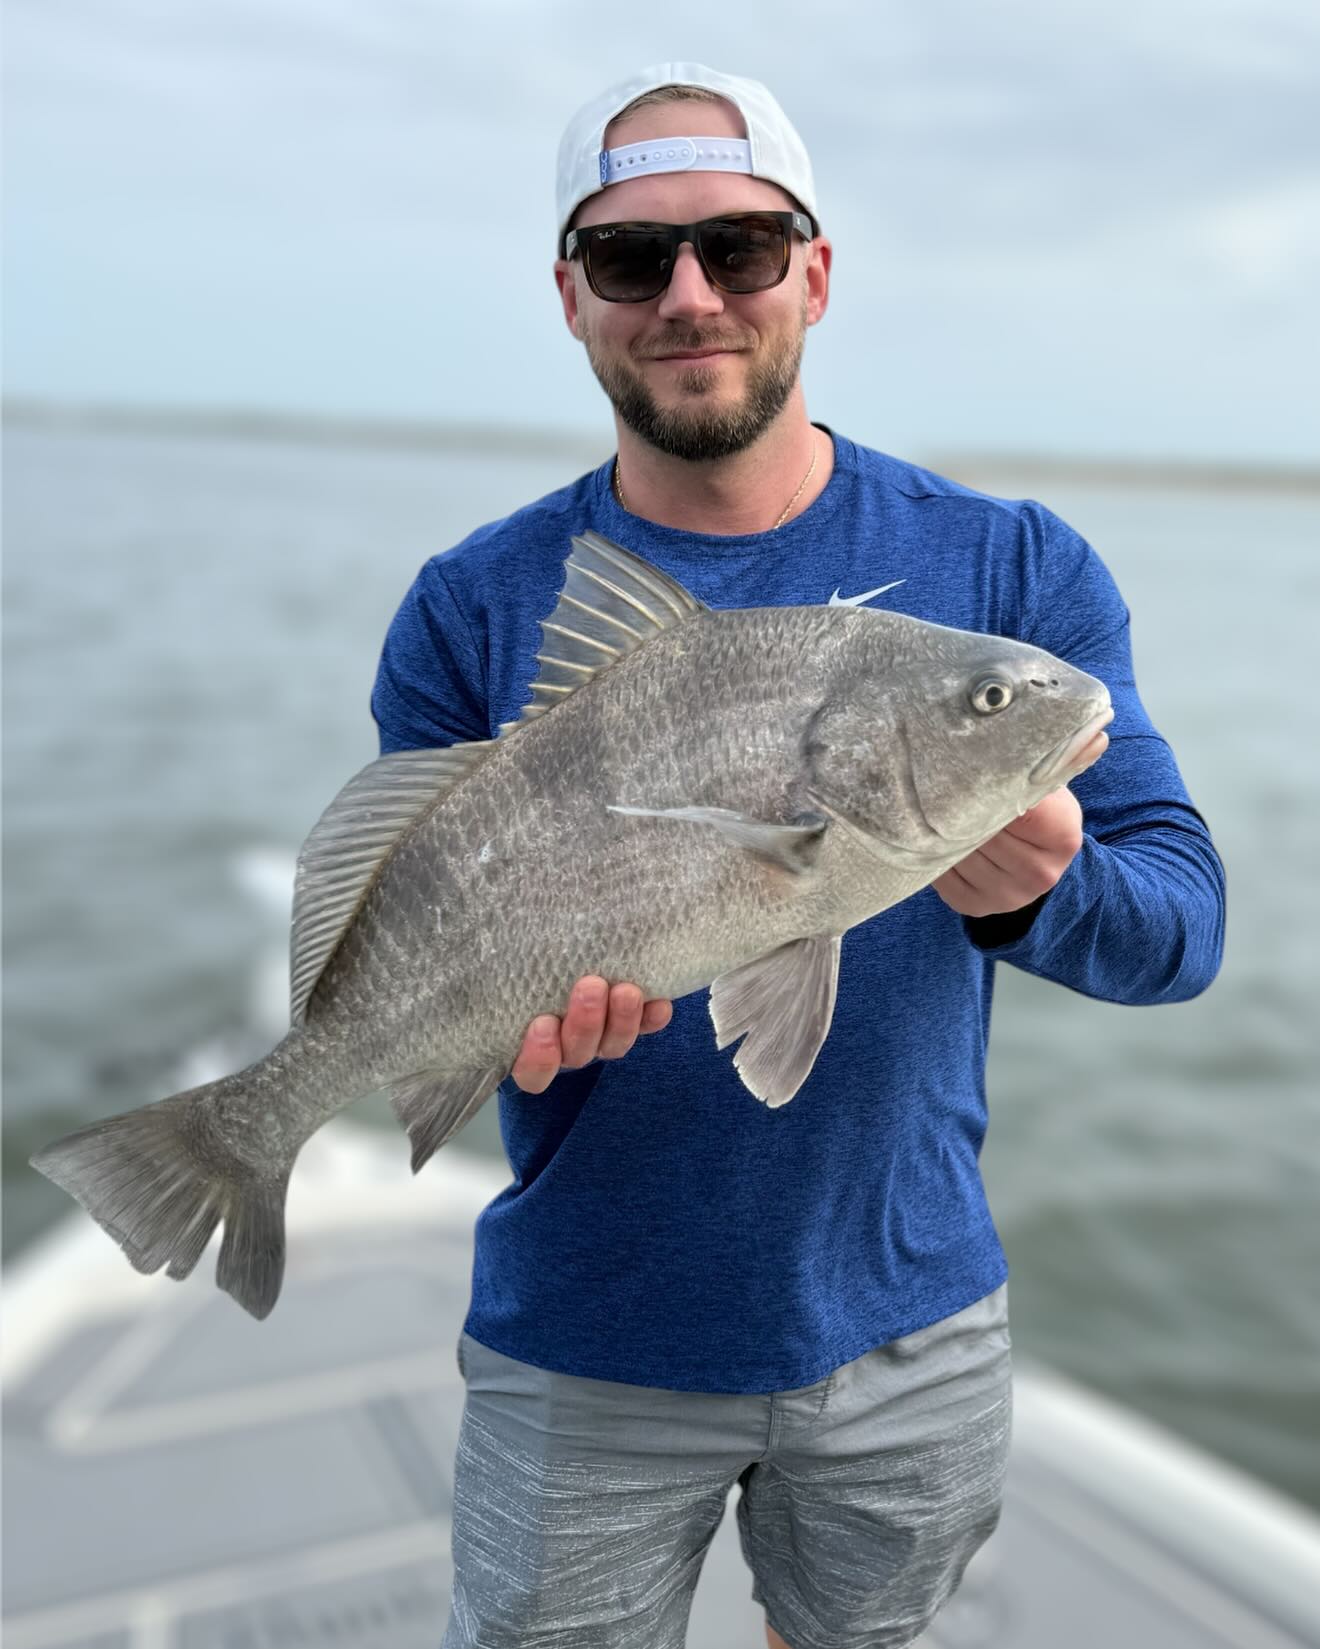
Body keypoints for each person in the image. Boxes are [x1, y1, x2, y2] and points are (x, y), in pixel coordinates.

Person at [371, 62, 1225, 1649]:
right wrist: (513, 1032)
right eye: (634, 259)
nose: (692, 295)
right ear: (573, 297)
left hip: (911, 1319)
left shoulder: (1011, 571)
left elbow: (1182, 927)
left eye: (743, 247)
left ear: (814, 273)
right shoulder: (472, 605)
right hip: (584, 1336)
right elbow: (414, 917)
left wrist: (1045, 887)